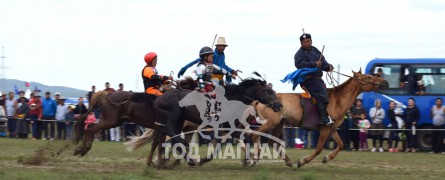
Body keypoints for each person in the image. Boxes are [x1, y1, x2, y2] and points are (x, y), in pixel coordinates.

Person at [294, 32, 334, 126]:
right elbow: (299, 65)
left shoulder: (315, 50)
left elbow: (323, 62)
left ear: (311, 41)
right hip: (308, 79)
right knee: (322, 94)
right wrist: (314, 64)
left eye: (308, 41)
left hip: (318, 79)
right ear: (301, 43)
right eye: (304, 42)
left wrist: (328, 67)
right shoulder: (299, 54)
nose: (307, 43)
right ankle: (323, 118)